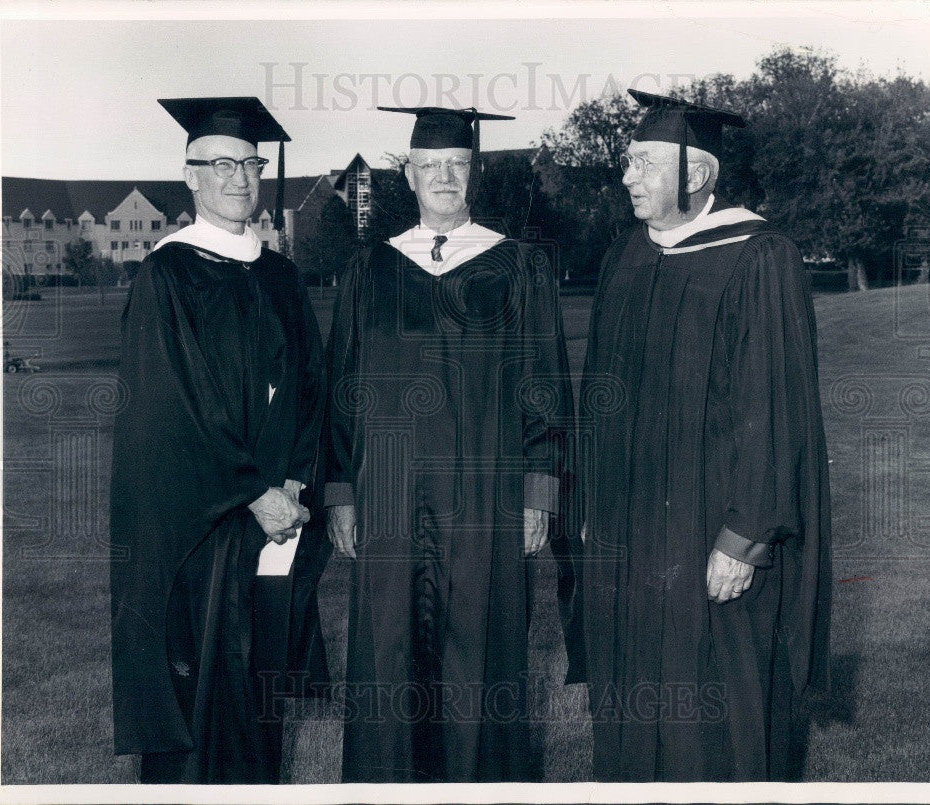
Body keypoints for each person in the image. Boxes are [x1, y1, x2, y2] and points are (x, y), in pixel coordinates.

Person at [324, 106, 583, 782]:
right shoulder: (369, 271)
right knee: (388, 652)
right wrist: (341, 492)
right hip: (387, 497)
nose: (444, 176)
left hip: (486, 501)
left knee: (481, 652)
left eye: (457, 165)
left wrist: (539, 492)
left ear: (473, 174)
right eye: (430, 166)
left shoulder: (517, 266)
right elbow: (340, 386)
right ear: (408, 176)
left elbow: (544, 386)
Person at [580, 90, 832, 782]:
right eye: (628, 162)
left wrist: (744, 538)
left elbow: (775, 405)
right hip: (632, 540)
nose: (628, 176)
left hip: (712, 537)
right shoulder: (626, 259)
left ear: (698, 174)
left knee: (719, 718)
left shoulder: (760, 257)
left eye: (645, 163)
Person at [110, 96, 330, 784]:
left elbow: (312, 388)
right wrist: (254, 491)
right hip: (198, 530)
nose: (239, 177)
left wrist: (295, 481)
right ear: (191, 176)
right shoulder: (167, 275)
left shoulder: (281, 276)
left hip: (275, 523)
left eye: (250, 163)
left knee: (260, 698)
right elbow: (170, 408)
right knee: (200, 697)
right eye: (222, 164)